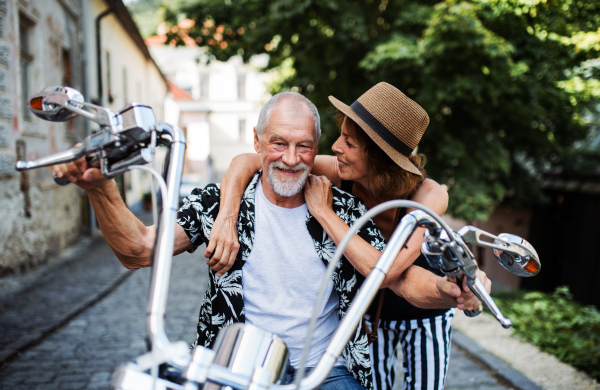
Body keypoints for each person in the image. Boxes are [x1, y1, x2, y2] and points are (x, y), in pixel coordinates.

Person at [54, 91, 485, 390]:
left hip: (326, 371)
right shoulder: (223, 200)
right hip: (237, 366)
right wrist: (101, 189)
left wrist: (451, 290)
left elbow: (400, 279)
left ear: (317, 150)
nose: (292, 159)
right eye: (278, 143)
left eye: (304, 147)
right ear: (257, 141)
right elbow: (139, 250)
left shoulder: (350, 209)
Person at [207, 83, 464, 390]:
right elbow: (248, 161)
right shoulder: (343, 171)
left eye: (349, 142)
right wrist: (227, 214)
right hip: (371, 314)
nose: (336, 146)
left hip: (422, 307)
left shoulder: (427, 196)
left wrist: (325, 213)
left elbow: (387, 271)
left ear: (380, 158)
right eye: (342, 134)